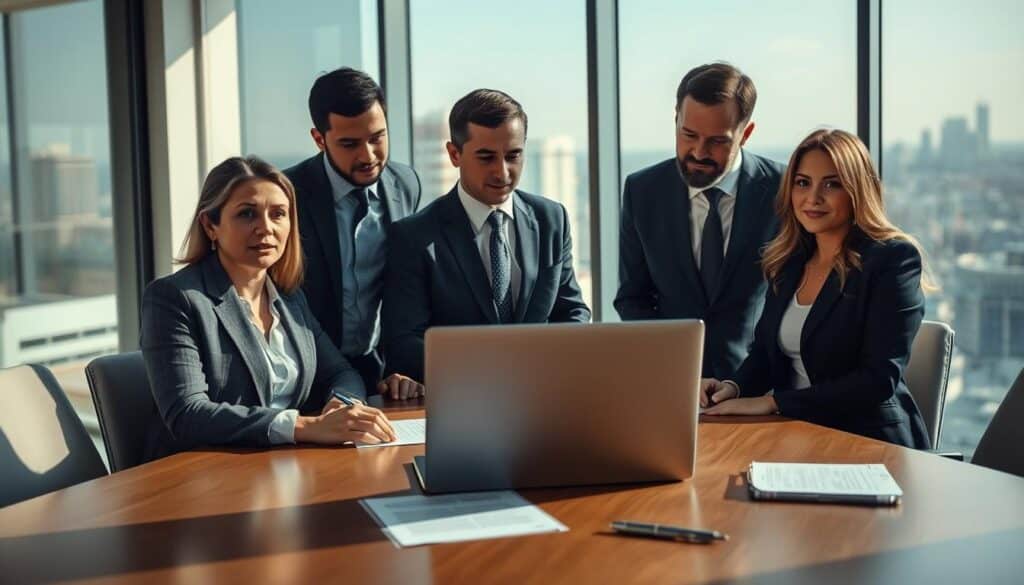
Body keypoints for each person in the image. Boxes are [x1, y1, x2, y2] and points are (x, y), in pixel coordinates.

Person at [140, 156, 397, 462]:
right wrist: (302, 426)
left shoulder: (289, 297)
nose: (266, 228)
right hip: (201, 475)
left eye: (278, 214)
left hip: (281, 467)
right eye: (247, 214)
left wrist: (341, 406)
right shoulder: (175, 298)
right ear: (210, 225)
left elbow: (341, 372)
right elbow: (188, 414)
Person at [701, 129, 933, 449]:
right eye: (803, 182)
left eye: (831, 184)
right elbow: (766, 356)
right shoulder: (789, 261)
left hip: (868, 441)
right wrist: (734, 387)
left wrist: (775, 403)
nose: (813, 198)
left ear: (856, 191)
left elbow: (878, 380)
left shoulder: (892, 260)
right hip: (793, 434)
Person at [382, 89, 591, 385]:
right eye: (486, 157)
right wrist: (495, 370)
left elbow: (571, 311)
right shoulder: (414, 236)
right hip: (463, 399)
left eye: (513, 155)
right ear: (454, 154)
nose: (502, 172)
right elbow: (404, 342)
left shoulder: (551, 219)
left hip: (544, 393)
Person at [616, 62, 785, 379]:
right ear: (675, 119)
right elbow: (632, 298)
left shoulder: (784, 189)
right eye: (688, 134)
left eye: (717, 141)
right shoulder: (642, 191)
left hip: (763, 388)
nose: (698, 151)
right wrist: (678, 366)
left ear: (745, 134)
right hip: (672, 382)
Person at [284, 67, 422, 401]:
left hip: (378, 372)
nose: (369, 155)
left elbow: (405, 286)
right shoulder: (286, 196)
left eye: (377, 137)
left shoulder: (406, 184)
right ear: (319, 139)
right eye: (349, 144)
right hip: (303, 377)